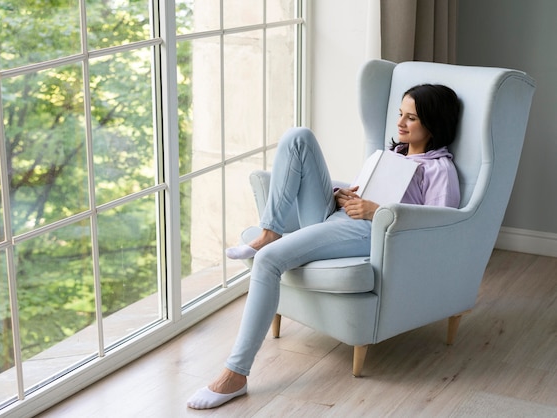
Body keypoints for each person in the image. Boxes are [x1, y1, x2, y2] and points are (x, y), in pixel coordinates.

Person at [186, 84, 461, 409]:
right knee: (298, 136)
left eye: (411, 118)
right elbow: (362, 193)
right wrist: (342, 195)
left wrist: (375, 212)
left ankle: (236, 374)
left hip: (364, 233)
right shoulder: (391, 155)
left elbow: (442, 226)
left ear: (434, 123)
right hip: (340, 217)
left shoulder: (440, 168)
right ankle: (270, 230)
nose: (400, 123)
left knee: (269, 261)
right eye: (400, 114)